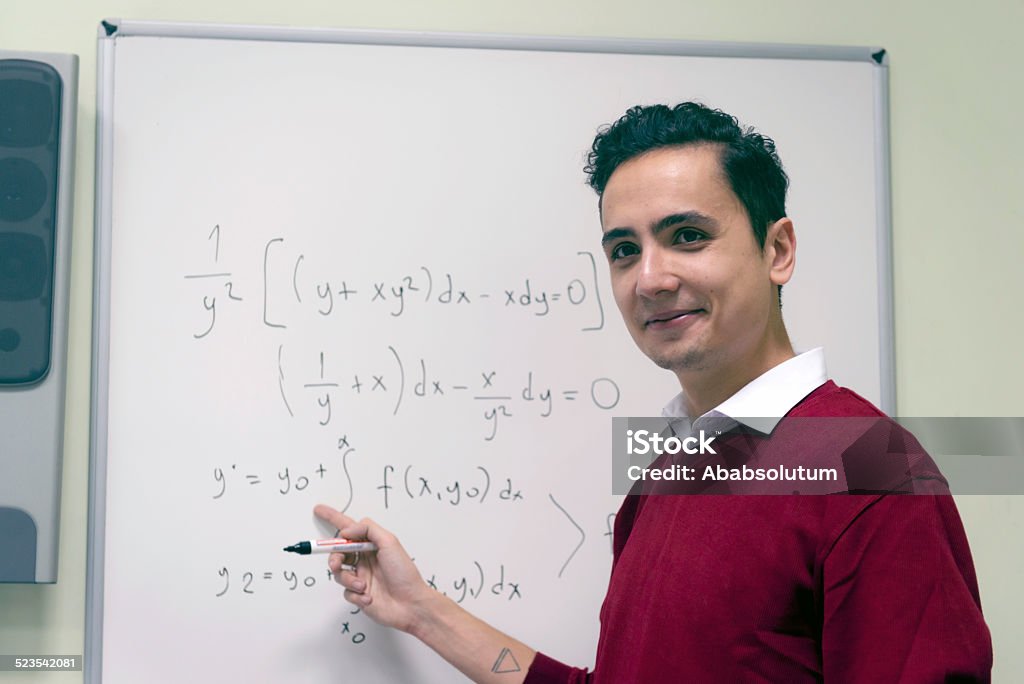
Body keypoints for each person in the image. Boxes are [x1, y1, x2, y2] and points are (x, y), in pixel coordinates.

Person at [315, 102, 992, 682]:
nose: (651, 278)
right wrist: (420, 611)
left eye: (687, 236)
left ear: (777, 250)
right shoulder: (671, 474)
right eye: (624, 250)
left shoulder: (870, 472)